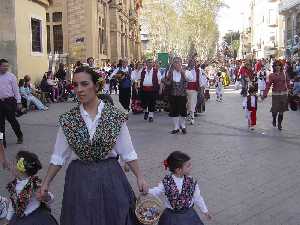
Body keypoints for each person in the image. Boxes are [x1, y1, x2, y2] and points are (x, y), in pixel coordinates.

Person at [37, 66, 148, 225]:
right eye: (75, 85)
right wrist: (46, 182)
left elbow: (127, 151)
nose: (79, 89)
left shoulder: (114, 116)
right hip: (80, 178)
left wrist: (140, 177)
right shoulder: (69, 120)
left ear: (96, 86)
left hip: (110, 176)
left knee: (113, 216)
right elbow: (58, 156)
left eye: (84, 84)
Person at [148, 151, 212, 225]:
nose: (191, 167)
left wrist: (205, 211)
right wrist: (147, 191)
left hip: (188, 215)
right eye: (188, 166)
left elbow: (198, 197)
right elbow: (157, 191)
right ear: (178, 170)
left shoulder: (192, 181)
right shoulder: (166, 181)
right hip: (171, 217)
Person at [4, 151, 58, 225]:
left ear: (21, 168)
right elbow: (12, 203)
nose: (10, 165)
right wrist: (8, 219)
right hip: (20, 217)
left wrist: (45, 196)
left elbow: (50, 197)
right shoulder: (14, 184)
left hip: (36, 217)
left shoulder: (33, 183)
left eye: (13, 163)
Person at [0, 59, 23, 148]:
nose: (6, 68)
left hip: (9, 101)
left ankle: (19, 135)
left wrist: (19, 101)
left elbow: (16, 90)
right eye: (4, 66)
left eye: (7, 66)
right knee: (0, 124)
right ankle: (2, 142)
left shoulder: (11, 76)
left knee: (12, 120)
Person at [263, 60, 290, 130]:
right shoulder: (271, 75)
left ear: (281, 66)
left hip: (284, 94)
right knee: (275, 110)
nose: (278, 67)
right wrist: (265, 94)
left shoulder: (284, 74)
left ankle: (280, 124)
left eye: (279, 66)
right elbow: (268, 85)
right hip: (275, 95)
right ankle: (274, 119)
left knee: (281, 111)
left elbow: (288, 82)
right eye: (276, 66)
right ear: (274, 67)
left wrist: (290, 90)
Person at [165, 57, 188, 134]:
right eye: (175, 62)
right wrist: (164, 81)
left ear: (181, 63)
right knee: (174, 111)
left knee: (183, 111)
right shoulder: (170, 72)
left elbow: (188, 80)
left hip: (182, 95)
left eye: (178, 62)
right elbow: (169, 82)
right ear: (173, 64)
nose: (177, 64)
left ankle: (183, 126)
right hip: (173, 94)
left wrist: (183, 73)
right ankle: (176, 127)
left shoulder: (185, 71)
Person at [186, 58, 200, 125]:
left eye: (193, 62)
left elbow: (200, 79)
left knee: (192, 103)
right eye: (190, 62)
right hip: (186, 89)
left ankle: (192, 117)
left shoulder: (197, 70)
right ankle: (188, 113)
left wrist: (201, 88)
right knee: (187, 103)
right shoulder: (186, 70)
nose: (192, 63)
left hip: (194, 89)